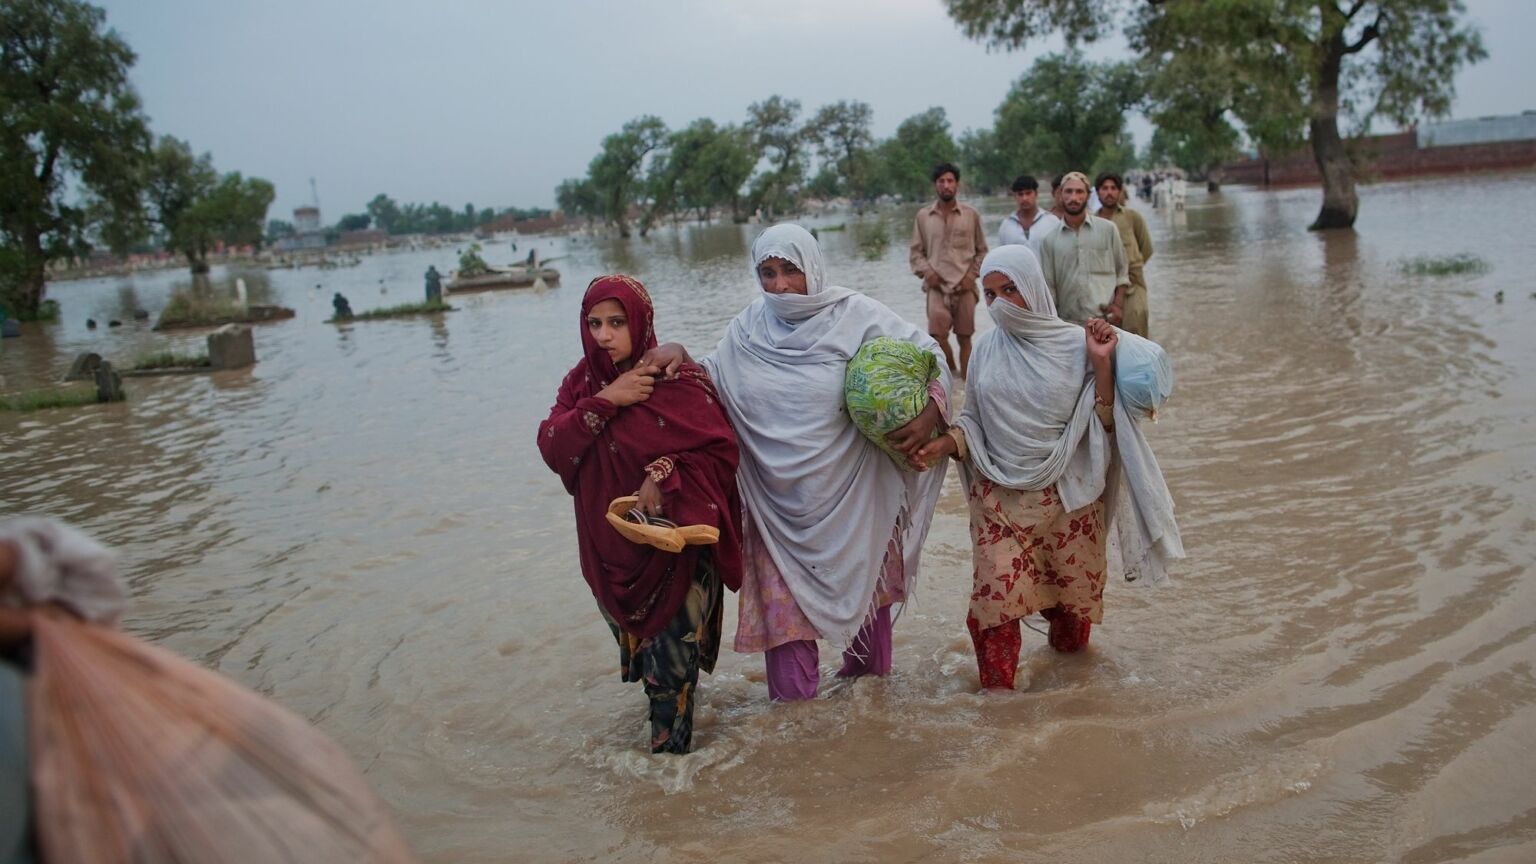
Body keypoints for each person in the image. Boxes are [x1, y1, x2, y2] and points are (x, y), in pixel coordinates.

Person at [644, 224, 951, 701]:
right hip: (776, 512)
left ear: (813, 268)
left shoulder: (857, 315)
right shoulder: (747, 329)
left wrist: (931, 412)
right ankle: (800, 750)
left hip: (854, 501)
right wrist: (680, 356)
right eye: (767, 273)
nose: (781, 285)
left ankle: (871, 741)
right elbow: (708, 382)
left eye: (791, 270)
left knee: (870, 672)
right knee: (790, 684)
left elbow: (930, 356)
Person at [917, 245, 1183, 689]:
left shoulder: (1077, 346)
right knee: (994, 608)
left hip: (1068, 499)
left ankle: (1072, 702)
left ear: (1035, 289)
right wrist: (946, 442)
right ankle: (998, 708)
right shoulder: (984, 352)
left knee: (1069, 612)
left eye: (1010, 290)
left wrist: (1101, 362)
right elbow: (975, 422)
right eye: (990, 294)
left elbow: (1103, 422)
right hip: (998, 499)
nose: (1001, 304)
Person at [537, 275, 743, 754]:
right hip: (611, 552)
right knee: (655, 678)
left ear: (641, 322)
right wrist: (609, 400)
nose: (603, 335)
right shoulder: (581, 383)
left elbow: (721, 452)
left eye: (616, 322)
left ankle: (668, 802)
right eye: (593, 323)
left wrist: (664, 471)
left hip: (678, 557)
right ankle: (665, 772)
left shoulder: (675, 378)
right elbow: (552, 446)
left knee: (672, 677)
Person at [909, 162, 987, 379]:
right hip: (936, 287)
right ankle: (951, 377)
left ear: (957, 184)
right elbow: (916, 253)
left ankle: (967, 385)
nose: (946, 185)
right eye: (941, 181)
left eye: (950, 181)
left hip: (965, 286)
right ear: (935, 185)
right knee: (937, 336)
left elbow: (982, 251)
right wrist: (927, 272)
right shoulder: (923, 216)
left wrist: (972, 276)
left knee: (965, 337)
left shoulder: (971, 215)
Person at [1038, 172, 1131, 327]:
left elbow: (1122, 272)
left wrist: (1118, 306)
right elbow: (1049, 287)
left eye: (1079, 191)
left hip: (1105, 322)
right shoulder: (1049, 240)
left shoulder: (1108, 230)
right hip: (1067, 325)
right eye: (1068, 191)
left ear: (1088, 195)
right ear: (1060, 195)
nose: (1074, 197)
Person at [1095, 172, 1154, 337]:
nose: (1109, 192)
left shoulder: (1132, 217)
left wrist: (1130, 267)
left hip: (1133, 285)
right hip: (1104, 287)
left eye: (1113, 188)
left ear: (1120, 191)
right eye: (1104, 188)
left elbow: (1146, 248)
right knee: (1108, 336)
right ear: (1098, 192)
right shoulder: (1092, 222)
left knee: (1137, 325)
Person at [997, 175, 1061, 260]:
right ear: (1014, 196)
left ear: (1036, 193)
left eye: (1028, 193)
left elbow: (1060, 255)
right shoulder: (1006, 226)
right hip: (1017, 273)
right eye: (1020, 194)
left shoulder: (1052, 222)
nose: (1025, 198)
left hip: (1045, 273)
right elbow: (1001, 257)